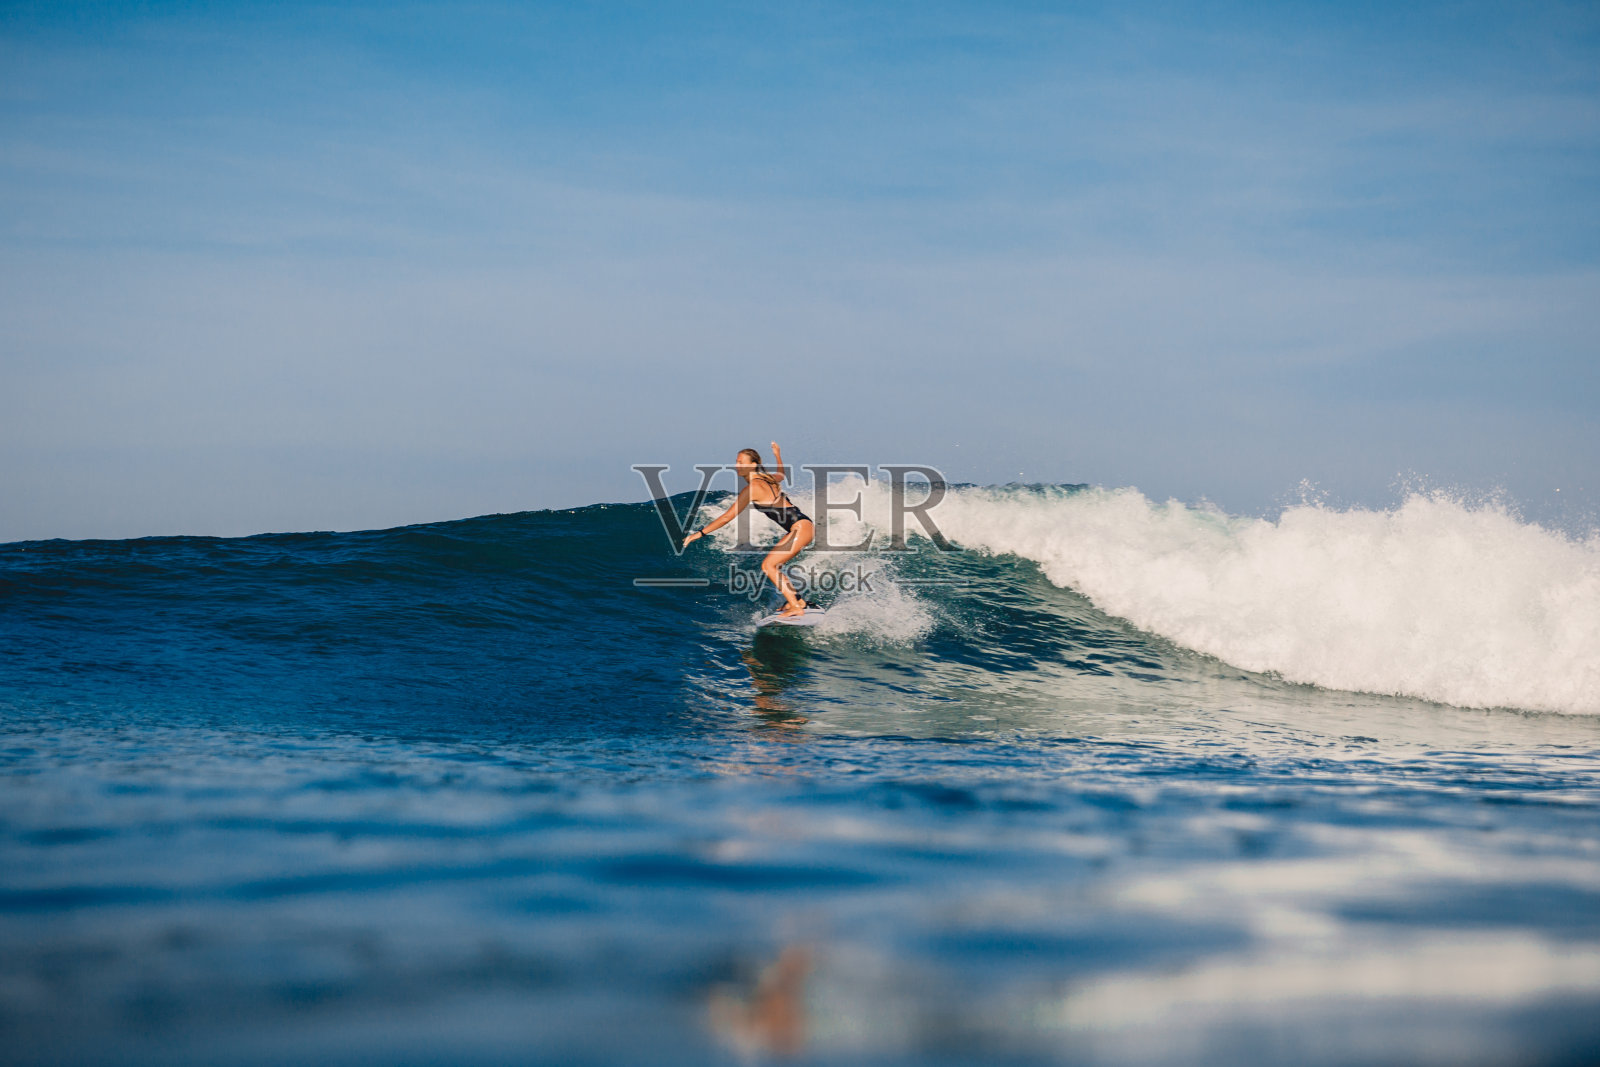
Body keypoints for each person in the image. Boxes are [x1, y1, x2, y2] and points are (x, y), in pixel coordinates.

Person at [682, 442, 815, 617]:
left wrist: (699, 534)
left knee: (768, 566)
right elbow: (781, 474)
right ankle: (798, 601)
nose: (737, 465)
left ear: (753, 465)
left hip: (799, 527)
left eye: (741, 462)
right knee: (773, 565)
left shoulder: (752, 488)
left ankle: (796, 607)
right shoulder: (768, 479)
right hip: (802, 526)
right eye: (736, 462)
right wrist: (777, 454)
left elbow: (727, 517)